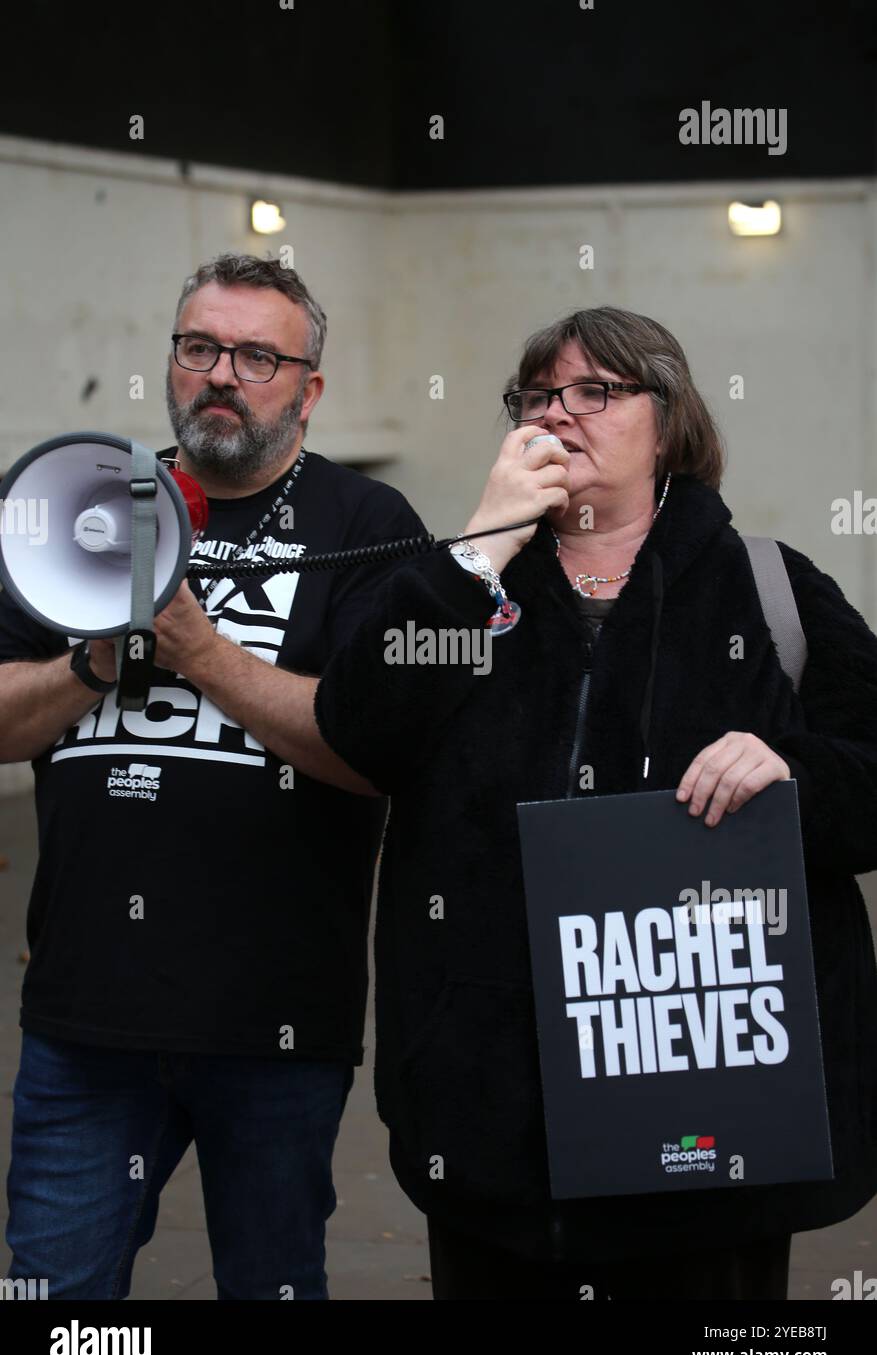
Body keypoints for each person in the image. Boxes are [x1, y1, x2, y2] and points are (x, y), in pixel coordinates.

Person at [313, 305, 877, 1300]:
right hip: (493, 1115)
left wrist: (794, 768)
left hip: (706, 1116)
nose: (558, 414)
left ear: (668, 421)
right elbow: (354, 730)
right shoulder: (463, 588)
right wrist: (476, 551)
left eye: (596, 391)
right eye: (537, 396)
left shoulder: (768, 591)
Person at [0, 253, 422, 1300]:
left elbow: (377, 754)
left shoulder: (369, 532)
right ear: (172, 362)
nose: (220, 374)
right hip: (86, 1012)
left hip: (274, 1018)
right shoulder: (84, 507)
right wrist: (97, 661)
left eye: (255, 355)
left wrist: (205, 656)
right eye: (199, 347)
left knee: (271, 1282)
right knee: (55, 1292)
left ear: (308, 388)